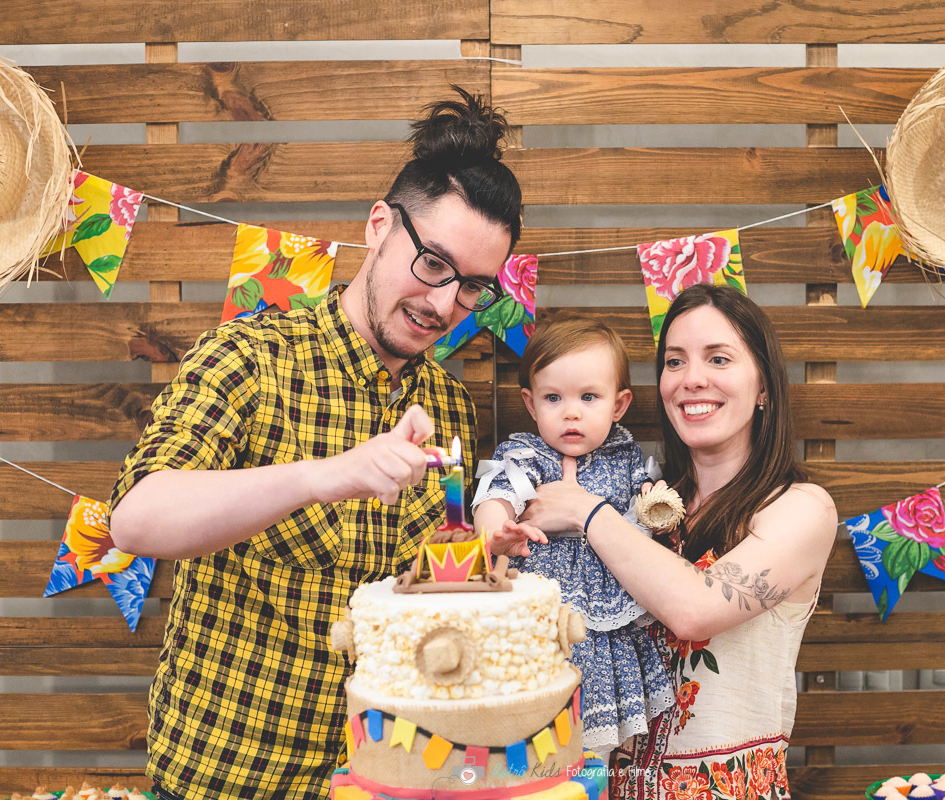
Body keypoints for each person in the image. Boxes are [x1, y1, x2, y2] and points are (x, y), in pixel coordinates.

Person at [107, 88, 521, 800]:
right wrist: (325, 475)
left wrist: (483, 559)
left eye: (474, 287)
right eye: (432, 264)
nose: (444, 304)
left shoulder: (447, 402)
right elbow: (138, 517)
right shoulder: (251, 357)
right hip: (227, 781)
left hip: (384, 778)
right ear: (378, 226)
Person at [509, 284, 837, 800]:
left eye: (719, 359)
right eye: (675, 362)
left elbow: (695, 609)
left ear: (764, 388)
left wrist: (581, 508)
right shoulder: (641, 505)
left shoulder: (800, 508)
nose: (692, 380)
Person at [471, 317, 675, 753]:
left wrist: (655, 506)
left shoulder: (626, 457)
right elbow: (498, 491)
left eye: (588, 397)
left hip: (603, 621)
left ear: (618, 405)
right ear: (530, 403)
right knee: (531, 729)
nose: (571, 412)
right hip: (540, 611)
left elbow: (649, 504)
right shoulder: (527, 453)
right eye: (552, 398)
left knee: (595, 748)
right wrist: (496, 531)